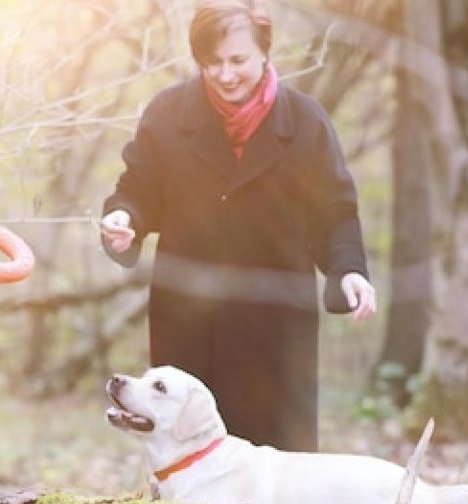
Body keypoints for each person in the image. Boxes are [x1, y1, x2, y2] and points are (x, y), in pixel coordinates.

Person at [100, 0, 376, 452]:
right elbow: (138, 188)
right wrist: (124, 218)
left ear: (264, 52)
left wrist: (349, 270)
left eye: (238, 60)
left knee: (278, 458)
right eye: (213, 62)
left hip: (275, 323)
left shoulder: (306, 121)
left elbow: (334, 213)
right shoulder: (168, 114)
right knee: (186, 455)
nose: (226, 74)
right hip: (188, 319)